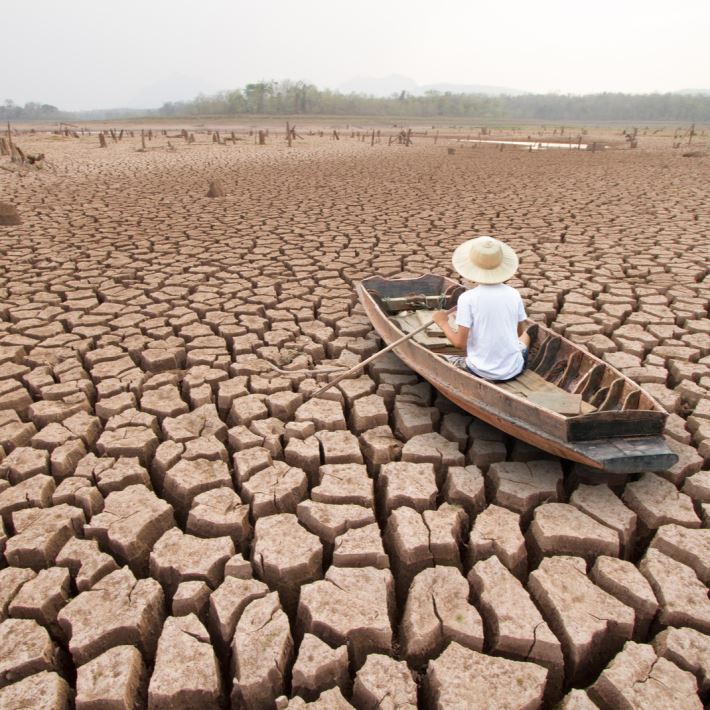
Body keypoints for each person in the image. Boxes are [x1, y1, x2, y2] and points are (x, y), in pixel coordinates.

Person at [432, 236, 532, 382]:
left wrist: (442, 323)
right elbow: (520, 332)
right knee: (526, 337)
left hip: (479, 371)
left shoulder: (468, 298)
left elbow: (460, 344)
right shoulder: (513, 293)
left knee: (443, 358)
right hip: (514, 369)